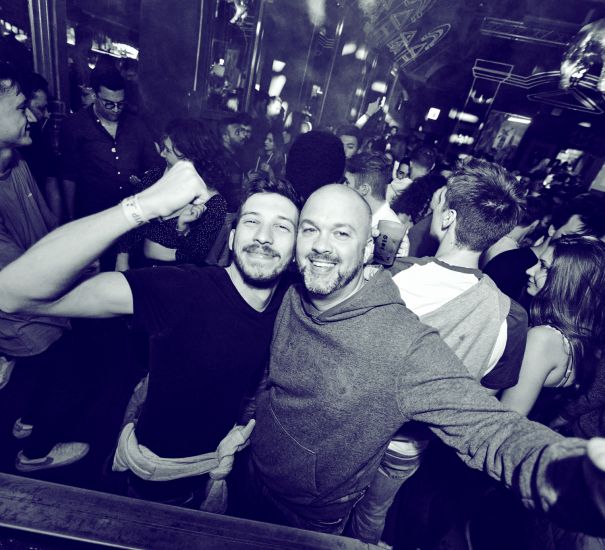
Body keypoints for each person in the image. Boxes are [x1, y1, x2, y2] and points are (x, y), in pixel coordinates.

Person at [248, 184, 605, 538]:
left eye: (341, 233)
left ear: (368, 247)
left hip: (309, 514)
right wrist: (245, 424)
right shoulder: (292, 293)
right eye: (310, 229)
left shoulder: (406, 344)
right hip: (250, 468)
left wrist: (574, 478)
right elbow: (271, 378)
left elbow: (491, 429)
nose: (321, 246)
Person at [0, 163, 301, 507]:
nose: (264, 236)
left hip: (227, 472)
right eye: (252, 222)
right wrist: (141, 206)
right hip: (159, 482)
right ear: (232, 238)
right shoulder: (182, 290)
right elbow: (13, 293)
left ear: (296, 251)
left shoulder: (291, 302)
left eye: (282, 226)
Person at [349, 159, 529, 543]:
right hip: (410, 446)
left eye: (439, 202)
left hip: (354, 428)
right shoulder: (511, 317)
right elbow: (482, 397)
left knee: (331, 507)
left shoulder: (394, 275)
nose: (432, 206)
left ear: (448, 218)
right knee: (373, 515)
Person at [0, 61, 91, 468]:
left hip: (40, 305)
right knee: (70, 373)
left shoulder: (15, 161)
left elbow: (39, 228)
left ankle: (27, 420)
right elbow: (22, 275)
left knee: (43, 370)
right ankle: (34, 455)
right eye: (21, 108)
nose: (34, 118)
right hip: (23, 314)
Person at [60, 68, 158, 270]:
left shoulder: (136, 125)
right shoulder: (75, 125)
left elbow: (153, 165)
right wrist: (69, 217)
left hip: (130, 218)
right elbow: (69, 175)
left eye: (120, 104)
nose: (115, 109)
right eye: (109, 103)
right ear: (95, 96)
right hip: (93, 215)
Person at [500, 237, 605, 422]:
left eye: (544, 266)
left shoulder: (544, 339)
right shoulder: (582, 335)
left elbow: (506, 419)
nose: (529, 270)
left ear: (568, 281)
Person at [115, 119, 228, 270]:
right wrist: (122, 258)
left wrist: (181, 228)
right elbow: (129, 221)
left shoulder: (214, 203)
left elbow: (195, 255)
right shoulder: (156, 175)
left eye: (168, 150)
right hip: (135, 266)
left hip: (172, 276)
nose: (162, 154)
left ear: (189, 157)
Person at [484, 192, 605, 302]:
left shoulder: (572, 283)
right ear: (552, 229)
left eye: (583, 242)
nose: (575, 246)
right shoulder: (507, 264)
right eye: (570, 237)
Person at [344, 152, 401, 228]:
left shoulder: (392, 230)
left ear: (364, 189)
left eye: (347, 183)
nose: (343, 186)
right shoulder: (354, 214)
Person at [218, 112, 254, 212]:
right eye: (237, 133)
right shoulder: (226, 161)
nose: (242, 136)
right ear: (226, 137)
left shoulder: (232, 157)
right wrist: (246, 185)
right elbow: (233, 198)